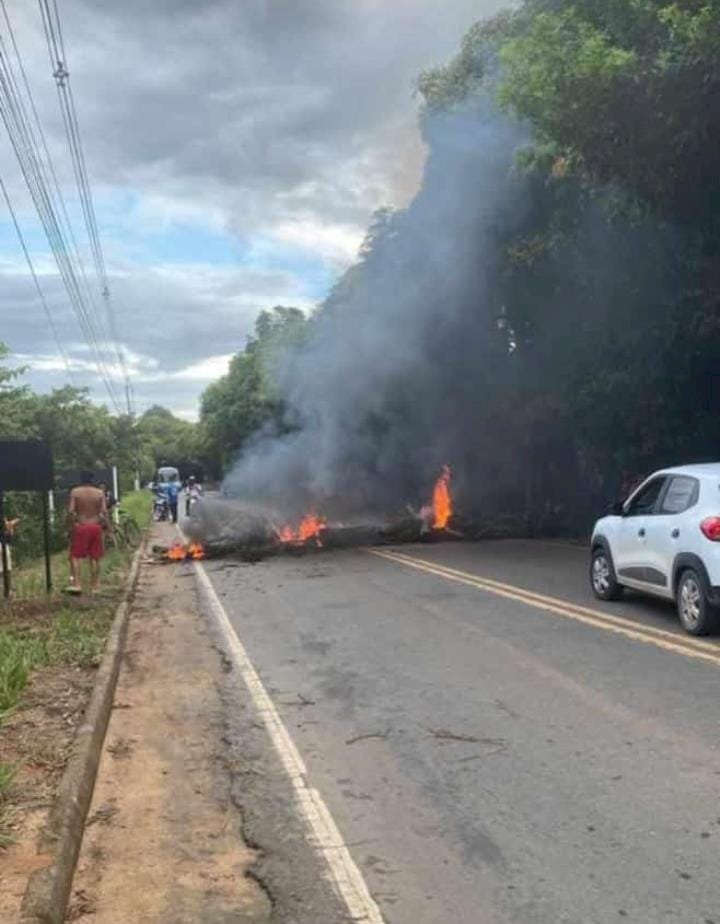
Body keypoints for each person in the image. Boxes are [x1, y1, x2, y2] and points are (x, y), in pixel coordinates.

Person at [66, 471, 108, 595]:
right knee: (95, 558)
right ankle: (95, 586)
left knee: (75, 556)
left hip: (81, 526)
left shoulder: (75, 492)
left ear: (81, 480)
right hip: (96, 526)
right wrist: (108, 527)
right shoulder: (99, 493)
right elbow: (104, 512)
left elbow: (71, 511)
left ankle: (77, 584)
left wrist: (69, 526)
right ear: (92, 480)